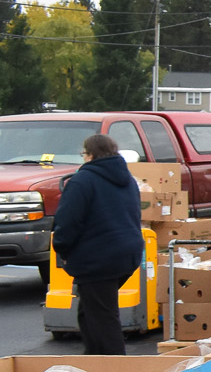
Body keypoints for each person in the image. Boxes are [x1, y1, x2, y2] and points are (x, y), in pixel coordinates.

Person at [51, 134, 144, 355]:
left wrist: (62, 248)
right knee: (89, 311)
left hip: (98, 258)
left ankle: (115, 369)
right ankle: (93, 359)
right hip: (127, 254)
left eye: (83, 154)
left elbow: (67, 222)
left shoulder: (82, 181)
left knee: (103, 317)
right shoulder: (128, 179)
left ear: (90, 154)